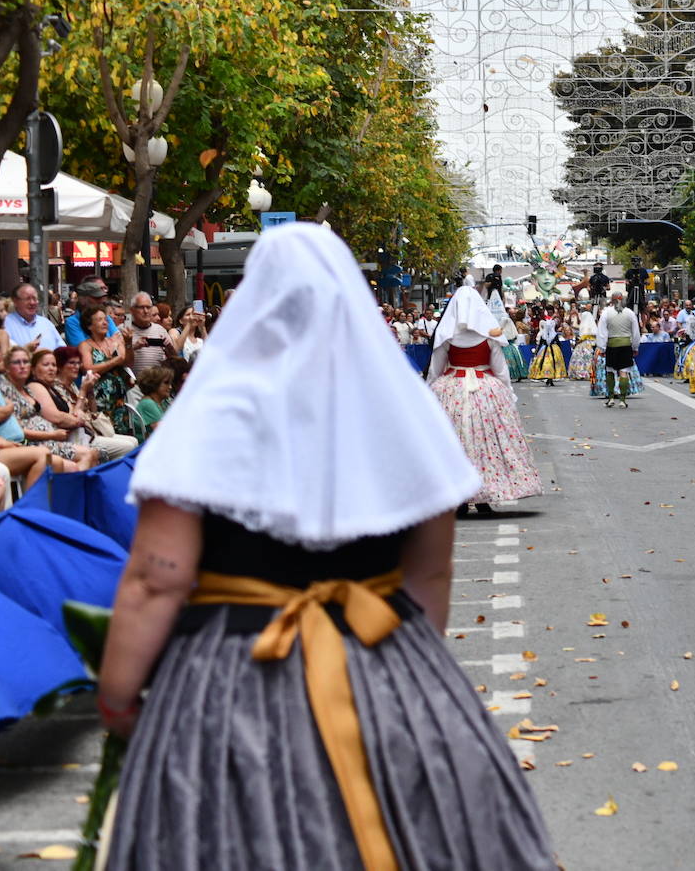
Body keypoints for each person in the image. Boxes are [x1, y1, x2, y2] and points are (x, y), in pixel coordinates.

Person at [96, 225, 556, 869]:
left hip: (232, 676)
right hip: (380, 655)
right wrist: (409, 673)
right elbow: (431, 574)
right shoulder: (404, 409)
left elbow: (156, 578)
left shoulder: (212, 407)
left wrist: (118, 693)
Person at [427, 285, 543, 510]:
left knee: (455, 443)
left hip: (451, 390)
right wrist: (507, 393)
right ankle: (486, 494)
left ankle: (458, 497)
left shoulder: (447, 334)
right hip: (486, 390)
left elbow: (435, 369)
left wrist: (429, 393)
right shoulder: (490, 334)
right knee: (488, 443)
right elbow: (500, 370)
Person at [0, 346, 96, 470]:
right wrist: (52, 435)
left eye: (25, 362)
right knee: (85, 456)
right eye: (17, 362)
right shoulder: (7, 391)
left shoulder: (28, 390)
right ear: (6, 367)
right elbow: (19, 429)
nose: (22, 366)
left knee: (92, 453)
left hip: (53, 439)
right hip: (33, 443)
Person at [35, 347, 138, 461]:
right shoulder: (55, 387)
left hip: (91, 431)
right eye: (72, 363)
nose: (76, 367)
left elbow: (93, 412)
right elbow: (73, 416)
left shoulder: (73, 385)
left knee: (133, 441)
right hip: (78, 436)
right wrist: (83, 391)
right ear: (60, 366)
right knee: (128, 447)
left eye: (78, 363)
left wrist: (90, 392)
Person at [78, 308, 137, 439]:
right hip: (98, 400)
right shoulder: (85, 345)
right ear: (89, 326)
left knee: (123, 434)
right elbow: (89, 369)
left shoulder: (115, 341)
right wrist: (115, 360)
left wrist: (128, 343)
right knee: (104, 434)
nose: (105, 323)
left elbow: (128, 362)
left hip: (119, 399)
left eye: (105, 319)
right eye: (99, 320)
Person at [596, 292, 641, 408]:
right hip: (626, 345)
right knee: (624, 371)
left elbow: (601, 331)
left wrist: (602, 347)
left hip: (612, 345)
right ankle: (622, 399)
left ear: (612, 300)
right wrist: (635, 347)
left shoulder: (606, 313)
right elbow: (636, 332)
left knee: (610, 371)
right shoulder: (630, 313)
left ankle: (611, 398)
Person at [127, 291, 178, 377]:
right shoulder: (124, 330)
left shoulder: (160, 330)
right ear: (132, 310)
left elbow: (175, 360)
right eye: (141, 307)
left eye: (148, 307)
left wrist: (169, 347)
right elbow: (117, 359)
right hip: (132, 384)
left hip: (157, 383)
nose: (146, 311)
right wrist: (134, 347)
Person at [3, 283, 65, 350]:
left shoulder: (46, 323)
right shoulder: (5, 325)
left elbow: (62, 349)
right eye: (27, 299)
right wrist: (26, 350)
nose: (32, 303)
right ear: (15, 301)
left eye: (35, 299)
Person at [64, 276, 109, 347]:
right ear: (82, 300)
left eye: (101, 297)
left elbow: (119, 340)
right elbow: (84, 349)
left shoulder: (106, 317)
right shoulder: (72, 322)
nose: (101, 301)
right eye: (96, 298)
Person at [133, 365, 175, 437]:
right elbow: (163, 433)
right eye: (166, 383)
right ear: (154, 384)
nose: (170, 387)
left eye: (170, 383)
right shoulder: (148, 404)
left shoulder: (163, 402)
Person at [527, 309, 566, 385]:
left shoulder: (544, 335)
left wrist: (537, 352)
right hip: (553, 350)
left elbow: (540, 344)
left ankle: (548, 378)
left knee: (547, 364)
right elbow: (558, 343)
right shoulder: (554, 334)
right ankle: (549, 378)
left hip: (545, 350)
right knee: (551, 363)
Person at [568, 307, 598, 380]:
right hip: (589, 345)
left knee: (581, 358)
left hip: (584, 344)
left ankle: (581, 373)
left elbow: (584, 335)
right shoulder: (591, 326)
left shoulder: (585, 326)